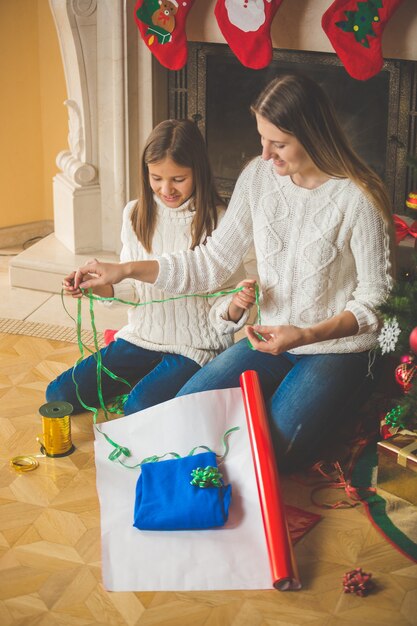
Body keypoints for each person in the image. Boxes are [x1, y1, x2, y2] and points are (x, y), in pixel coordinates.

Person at [72, 73, 395, 471]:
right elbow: (210, 263)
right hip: (270, 339)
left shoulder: (359, 197)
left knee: (273, 453)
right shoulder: (258, 177)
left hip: (332, 349)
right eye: (262, 139)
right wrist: (123, 270)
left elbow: (376, 301)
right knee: (188, 413)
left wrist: (307, 334)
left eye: (278, 144)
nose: (265, 155)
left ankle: (347, 396)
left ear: (313, 135)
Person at [46, 119, 255, 415]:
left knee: (139, 407)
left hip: (194, 348)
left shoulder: (220, 221)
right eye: (156, 178)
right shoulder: (135, 214)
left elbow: (225, 302)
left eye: (178, 179)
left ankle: (150, 386)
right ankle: (146, 380)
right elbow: (133, 288)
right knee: (59, 394)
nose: (166, 189)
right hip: (142, 336)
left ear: (198, 171)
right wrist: (99, 285)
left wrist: (235, 306)